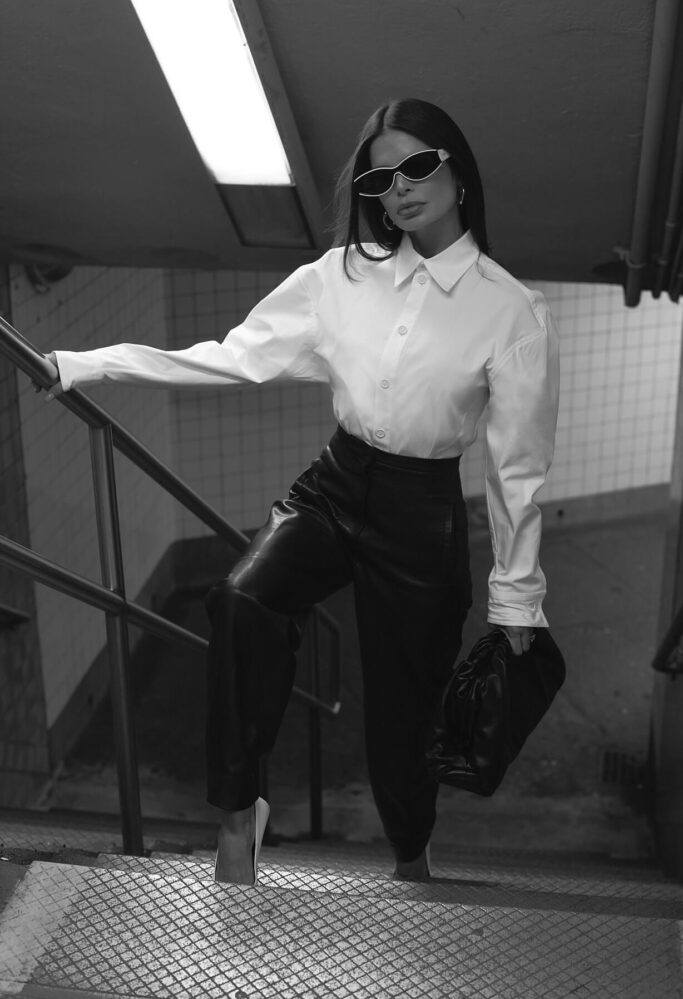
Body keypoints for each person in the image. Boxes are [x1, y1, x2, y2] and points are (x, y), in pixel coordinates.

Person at [41, 98, 559, 886]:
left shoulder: (510, 311)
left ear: (456, 171)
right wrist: (93, 363)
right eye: (383, 176)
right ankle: (239, 809)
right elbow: (232, 356)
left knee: (400, 717)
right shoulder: (339, 277)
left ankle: (412, 855)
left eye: (419, 165)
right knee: (243, 598)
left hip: (421, 515)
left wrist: (515, 601)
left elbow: (516, 469)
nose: (400, 188)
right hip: (336, 484)